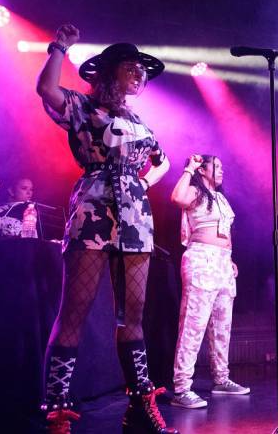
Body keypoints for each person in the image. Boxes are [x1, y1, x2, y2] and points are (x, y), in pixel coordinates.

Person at [35, 24, 176, 434]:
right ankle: (57, 413)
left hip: (135, 216)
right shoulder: (83, 106)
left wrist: (142, 182)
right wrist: (59, 47)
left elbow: (162, 160)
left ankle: (139, 409)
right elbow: (46, 89)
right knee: (74, 312)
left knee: (132, 316)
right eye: (130, 68)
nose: (138, 75)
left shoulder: (137, 119)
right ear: (109, 71)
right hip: (94, 209)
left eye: (140, 71)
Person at [170, 154, 249, 409]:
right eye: (217, 166)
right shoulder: (194, 191)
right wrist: (188, 168)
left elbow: (224, 232)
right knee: (193, 327)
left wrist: (229, 258)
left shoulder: (221, 199)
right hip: (201, 260)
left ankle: (221, 379)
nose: (221, 170)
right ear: (203, 170)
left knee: (221, 327)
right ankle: (182, 388)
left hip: (222, 262)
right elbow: (177, 198)